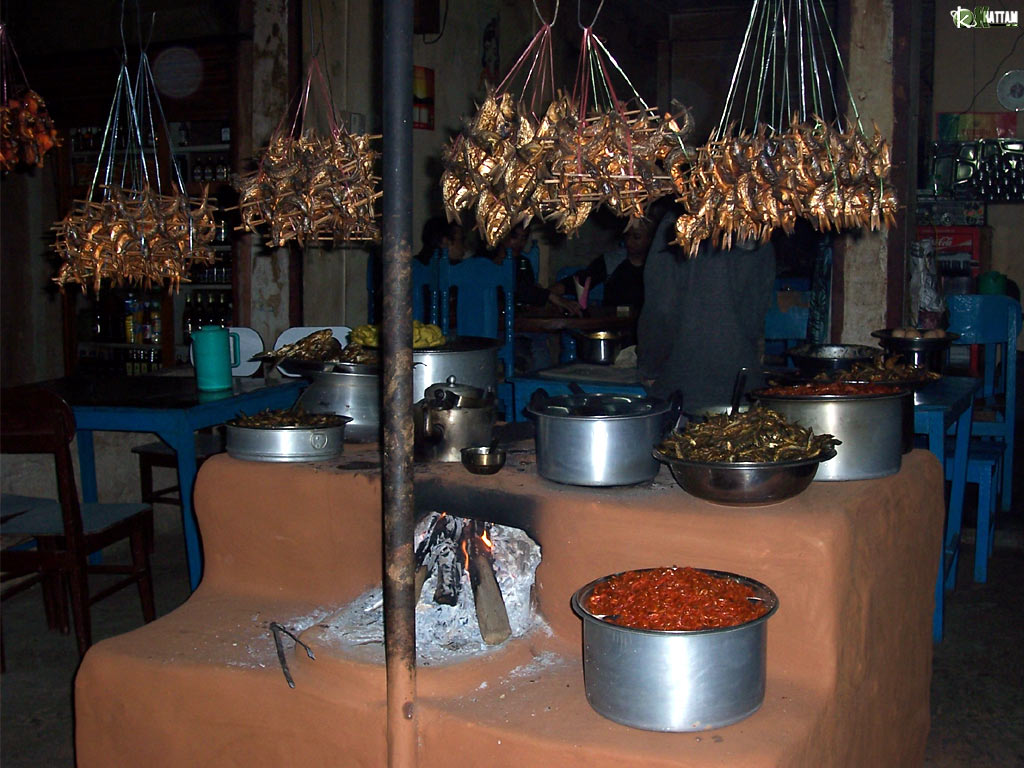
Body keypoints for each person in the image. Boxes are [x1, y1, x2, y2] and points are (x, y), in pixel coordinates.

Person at [637, 204, 776, 413]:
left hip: (683, 388)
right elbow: (757, 312)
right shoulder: (759, 221)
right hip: (743, 386)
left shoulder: (680, 221)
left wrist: (650, 368)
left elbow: (661, 308)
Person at [547, 217, 656, 315]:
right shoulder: (613, 260)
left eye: (636, 237)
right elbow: (582, 279)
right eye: (627, 235)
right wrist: (549, 294)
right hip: (615, 323)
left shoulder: (658, 266)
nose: (629, 241)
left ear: (651, 239)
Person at [481, 222, 577, 314]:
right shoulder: (486, 262)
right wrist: (548, 296)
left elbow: (527, 293)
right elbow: (514, 292)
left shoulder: (523, 262)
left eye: (524, 238)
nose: (519, 243)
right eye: (514, 237)